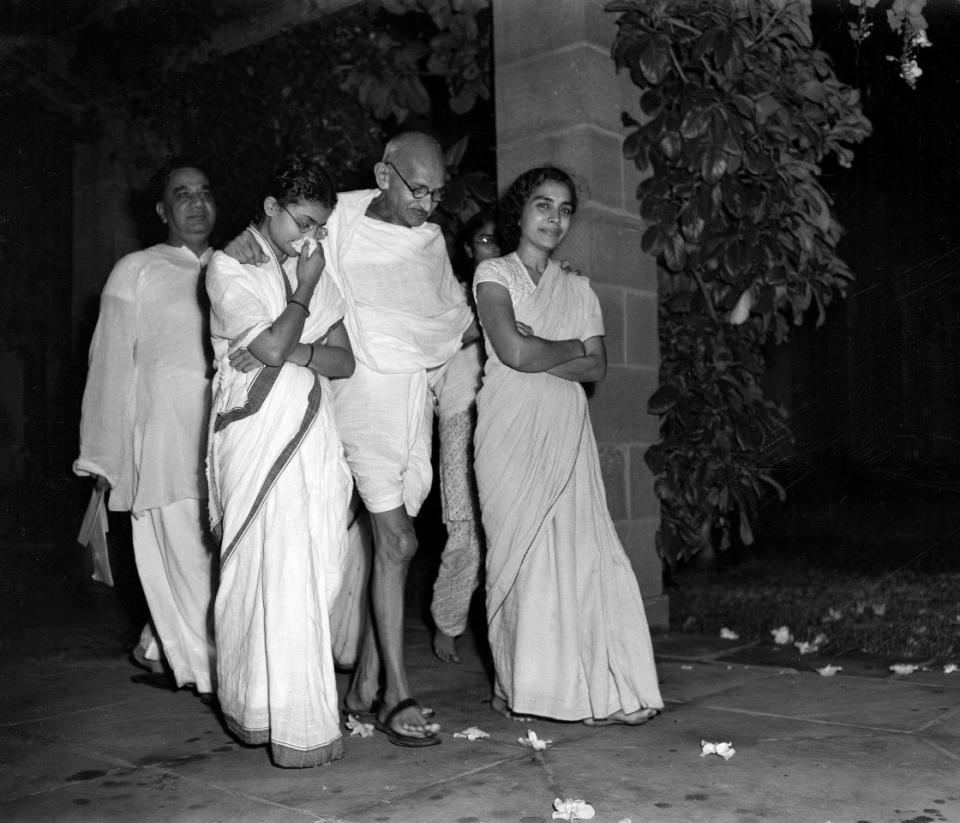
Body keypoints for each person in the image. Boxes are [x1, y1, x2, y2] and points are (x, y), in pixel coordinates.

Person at [224, 132, 472, 747]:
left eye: (439, 194)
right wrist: (239, 249)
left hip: (409, 396)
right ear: (383, 175)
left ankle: (363, 685)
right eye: (419, 189)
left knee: (393, 547)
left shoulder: (432, 242)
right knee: (399, 539)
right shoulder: (343, 218)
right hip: (360, 396)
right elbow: (276, 239)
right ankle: (395, 693)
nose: (428, 205)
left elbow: (448, 318)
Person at [473, 166, 664, 725]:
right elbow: (513, 353)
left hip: (564, 428)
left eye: (564, 209)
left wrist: (540, 345)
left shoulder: (577, 286)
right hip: (507, 431)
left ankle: (590, 686)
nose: (554, 218)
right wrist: (559, 349)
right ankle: (518, 686)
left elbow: (596, 364)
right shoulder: (493, 273)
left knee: (579, 555)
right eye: (542, 205)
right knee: (519, 558)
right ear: (521, 210)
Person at [205, 156, 355, 768]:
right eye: (303, 222)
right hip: (256, 431)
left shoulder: (315, 263)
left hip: (311, 431)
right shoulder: (227, 265)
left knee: (315, 569)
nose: (311, 237)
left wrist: (290, 347)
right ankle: (284, 720)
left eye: (321, 225)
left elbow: (342, 361)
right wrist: (302, 294)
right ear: (271, 207)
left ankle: (291, 706)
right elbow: (265, 343)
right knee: (268, 568)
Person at [74, 161, 217, 697]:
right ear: (161, 211)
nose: (197, 203)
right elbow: (108, 363)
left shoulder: (234, 267)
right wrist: (104, 456)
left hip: (228, 442)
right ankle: (219, 680)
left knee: (216, 561)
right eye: (183, 195)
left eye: (205, 192)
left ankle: (159, 644)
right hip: (163, 441)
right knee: (186, 559)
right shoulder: (136, 268)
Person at [429, 209, 498, 663]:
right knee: (464, 525)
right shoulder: (450, 290)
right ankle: (447, 622)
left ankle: (503, 634)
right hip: (459, 412)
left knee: (505, 525)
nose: (490, 248)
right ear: (469, 246)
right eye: (483, 240)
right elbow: (435, 342)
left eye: (498, 240)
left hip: (506, 412)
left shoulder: (517, 284)